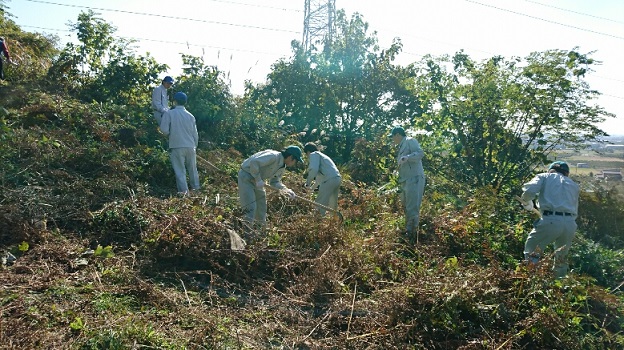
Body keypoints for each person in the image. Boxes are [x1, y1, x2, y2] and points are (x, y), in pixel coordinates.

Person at [519, 161, 580, 278]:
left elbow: (529, 191)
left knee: (532, 249)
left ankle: (531, 278)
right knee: (561, 257)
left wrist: (527, 202)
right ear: (566, 173)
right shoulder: (573, 184)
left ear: (551, 170)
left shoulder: (544, 177)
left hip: (550, 219)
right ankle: (558, 285)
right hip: (570, 223)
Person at [238, 145, 303, 229]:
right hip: (247, 176)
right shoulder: (273, 156)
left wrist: (286, 190)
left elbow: (274, 182)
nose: (295, 163)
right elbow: (254, 162)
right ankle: (246, 234)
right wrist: (258, 179)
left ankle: (260, 233)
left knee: (261, 208)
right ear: (291, 157)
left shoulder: (282, 167)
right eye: (295, 160)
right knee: (250, 208)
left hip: (259, 181)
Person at [159, 92, 200, 195]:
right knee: (193, 169)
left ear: (175, 101)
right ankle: (197, 190)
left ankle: (184, 193)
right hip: (191, 146)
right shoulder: (190, 116)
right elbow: (195, 134)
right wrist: (195, 146)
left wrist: (170, 133)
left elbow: (164, 130)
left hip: (177, 146)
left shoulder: (169, 113)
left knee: (180, 171)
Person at [390, 126, 425, 244]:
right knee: (406, 205)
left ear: (398, 135)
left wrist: (408, 157)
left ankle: (412, 235)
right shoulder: (400, 147)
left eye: (393, 137)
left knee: (412, 206)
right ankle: (408, 230)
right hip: (405, 180)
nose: (393, 140)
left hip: (414, 178)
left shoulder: (410, 141)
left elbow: (420, 154)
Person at [303, 142, 341, 216]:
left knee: (320, 204)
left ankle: (317, 222)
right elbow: (318, 181)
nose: (307, 156)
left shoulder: (314, 154)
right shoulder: (322, 156)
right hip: (336, 179)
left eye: (306, 153)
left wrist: (307, 183)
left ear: (308, 151)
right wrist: (311, 189)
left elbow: (313, 169)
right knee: (333, 205)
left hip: (329, 180)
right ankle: (334, 222)